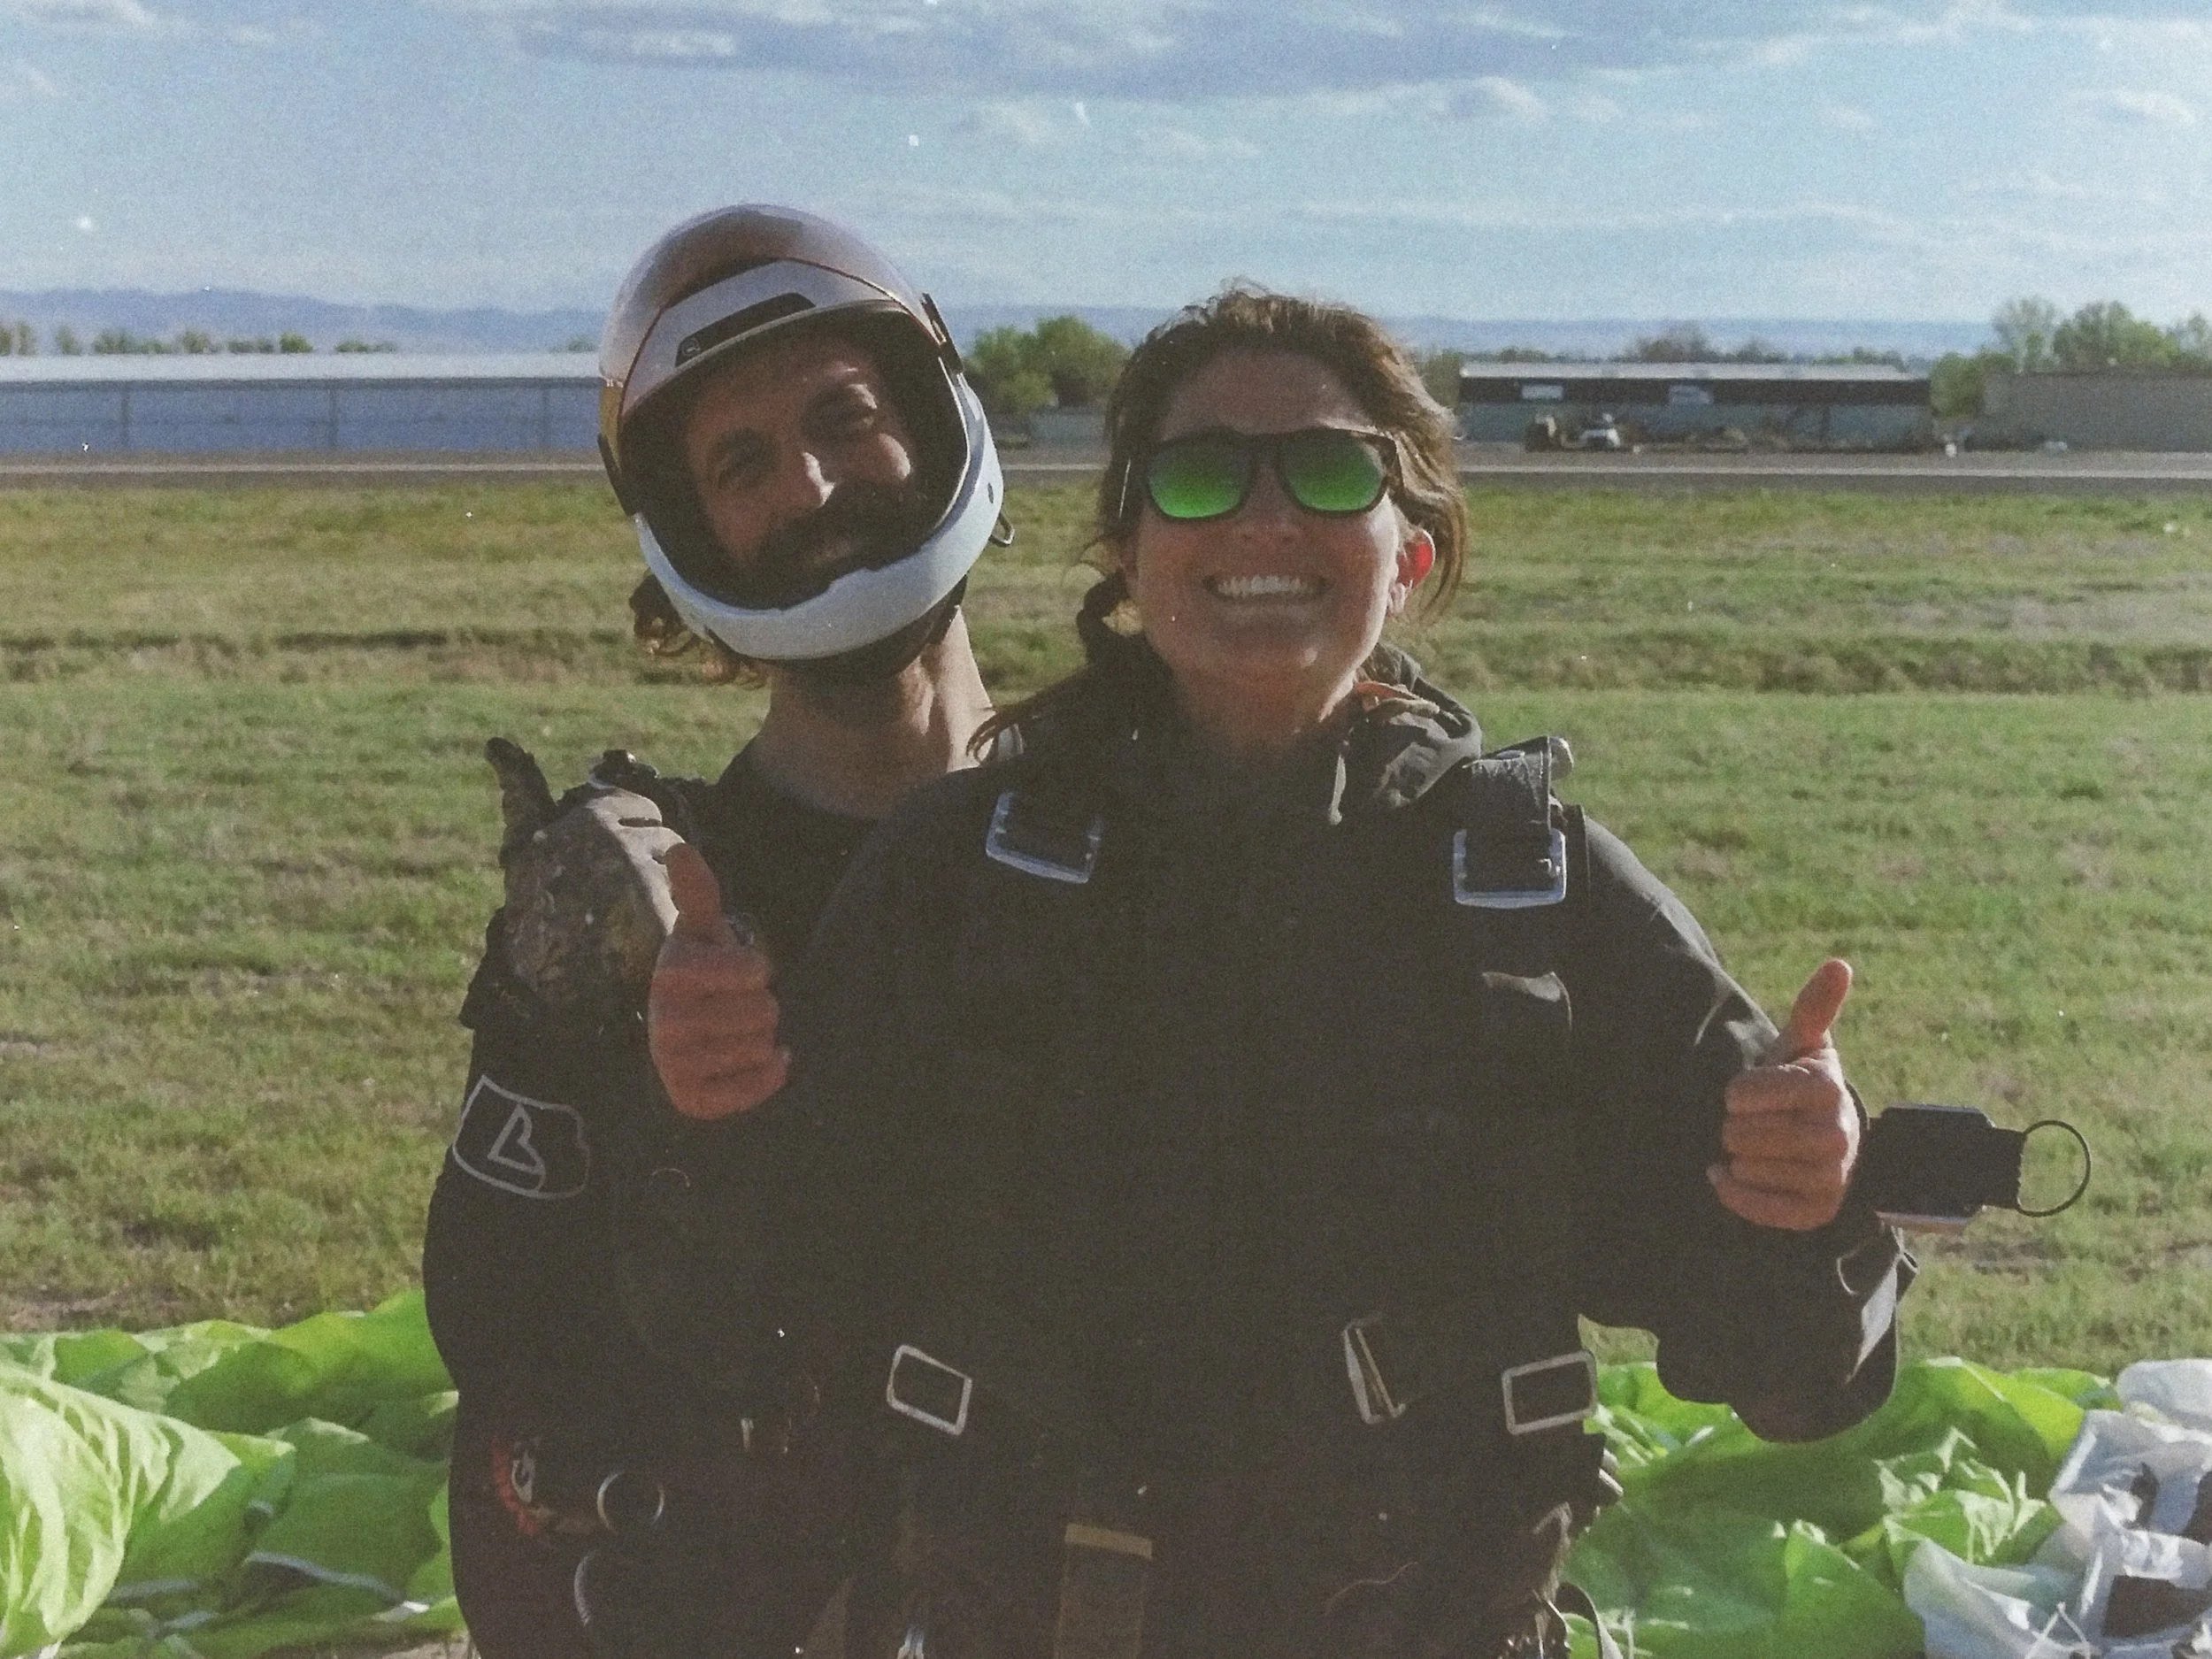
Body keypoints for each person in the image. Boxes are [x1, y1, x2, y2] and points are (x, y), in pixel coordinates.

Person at [709, 287, 1912, 1656]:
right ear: (1127, 543)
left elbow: (1800, 1376)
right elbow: (751, 1305)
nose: (1265, 521)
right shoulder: (962, 877)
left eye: (1332, 471)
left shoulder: (1530, 896)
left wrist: (1806, 1193)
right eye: (1202, 473)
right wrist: (707, 1104)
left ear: (1410, 557)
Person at [420, 204, 1009, 1659]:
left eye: (845, 416)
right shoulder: (639, 896)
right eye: (742, 462)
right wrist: (646, 1091)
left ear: (935, 424)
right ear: (690, 535)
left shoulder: (1141, 825)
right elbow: (490, 1331)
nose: (813, 484)